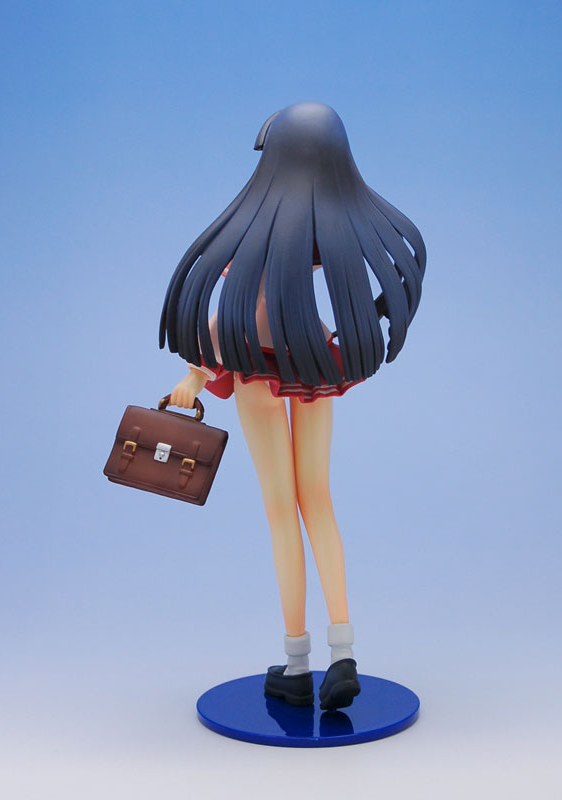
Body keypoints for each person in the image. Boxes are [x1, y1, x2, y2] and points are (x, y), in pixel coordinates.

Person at [160, 102, 426, 710]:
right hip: (311, 366)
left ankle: (298, 662)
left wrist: (195, 378)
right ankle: (345, 651)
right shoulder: (332, 226)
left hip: (257, 372)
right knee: (319, 503)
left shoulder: (255, 230)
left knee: (283, 511)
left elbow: (234, 318)